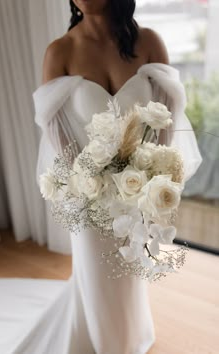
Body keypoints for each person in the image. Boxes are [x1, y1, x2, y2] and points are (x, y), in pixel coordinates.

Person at [32, 1, 202, 353]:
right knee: (96, 271)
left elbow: (168, 112)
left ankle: (128, 333)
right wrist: (87, 181)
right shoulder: (60, 51)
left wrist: (154, 171)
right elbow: (54, 128)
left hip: (139, 187)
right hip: (88, 190)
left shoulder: (149, 42)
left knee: (128, 269)